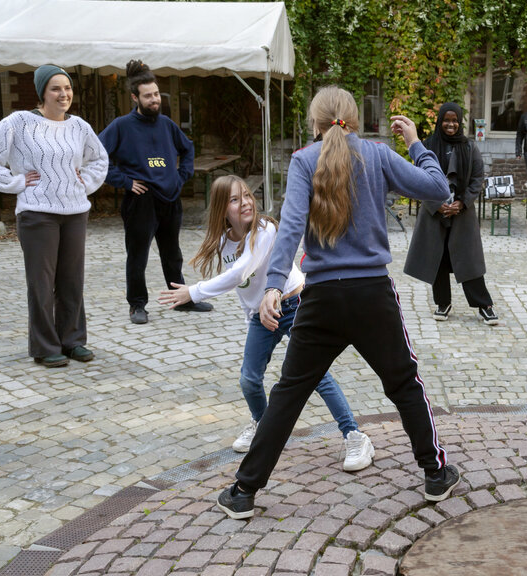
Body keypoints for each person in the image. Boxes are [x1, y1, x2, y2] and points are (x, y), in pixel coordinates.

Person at [216, 86, 459, 520]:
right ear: (354, 119)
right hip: (371, 294)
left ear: (314, 124)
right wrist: (417, 144)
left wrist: (273, 285)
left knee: (288, 393)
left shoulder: (303, 160)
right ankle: (435, 474)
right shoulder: (377, 155)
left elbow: (288, 227)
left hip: (322, 297)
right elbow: (439, 191)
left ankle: (243, 491)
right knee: (405, 384)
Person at [157, 175, 374, 468]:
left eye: (246, 195)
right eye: (235, 199)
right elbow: (245, 289)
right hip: (262, 315)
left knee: (316, 375)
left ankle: (355, 436)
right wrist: (252, 315)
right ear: (222, 208)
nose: (245, 202)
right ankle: (264, 425)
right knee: (249, 378)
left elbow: (241, 274)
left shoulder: (266, 229)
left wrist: (193, 292)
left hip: (295, 306)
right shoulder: (225, 242)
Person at [0, 65, 108, 367]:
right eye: (56, 88)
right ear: (42, 92)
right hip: (36, 214)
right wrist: (15, 183)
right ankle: (45, 347)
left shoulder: (79, 127)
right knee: (42, 283)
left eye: (67, 88)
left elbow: (99, 159)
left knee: (72, 281)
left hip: (74, 212)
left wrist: (85, 181)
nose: (63, 94)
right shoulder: (19, 122)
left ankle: (72, 341)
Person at [99, 59, 212, 325]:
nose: (155, 100)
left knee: (173, 253)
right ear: (134, 97)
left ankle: (180, 299)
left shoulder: (166, 125)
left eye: (156, 94)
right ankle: (137, 305)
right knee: (138, 256)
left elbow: (188, 149)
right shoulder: (121, 126)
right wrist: (124, 182)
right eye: (148, 96)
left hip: (170, 199)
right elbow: (95, 157)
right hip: (141, 201)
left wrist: (181, 175)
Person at [404, 102, 498, 325]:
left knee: (468, 260)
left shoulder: (468, 147)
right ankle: (442, 302)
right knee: (437, 258)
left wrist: (462, 203)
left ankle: (484, 305)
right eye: (446, 120)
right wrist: (435, 204)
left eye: (455, 120)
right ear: (439, 120)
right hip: (434, 213)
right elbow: (416, 178)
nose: (451, 124)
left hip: (462, 214)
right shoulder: (426, 147)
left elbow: (477, 179)